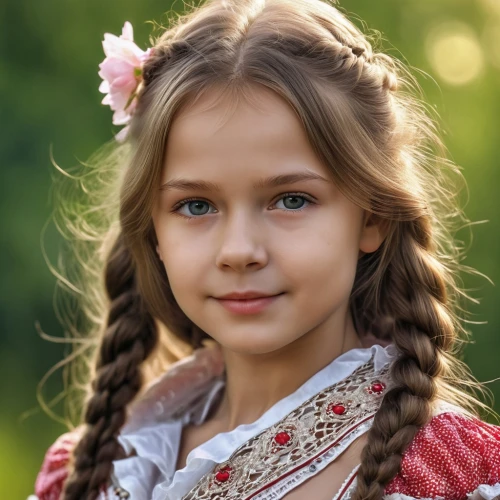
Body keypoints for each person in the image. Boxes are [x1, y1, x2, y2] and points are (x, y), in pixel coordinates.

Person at [29, 0, 500, 499]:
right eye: (195, 206)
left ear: (372, 215)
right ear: (153, 230)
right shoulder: (91, 470)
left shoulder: (454, 472)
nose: (238, 250)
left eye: (291, 200)